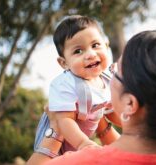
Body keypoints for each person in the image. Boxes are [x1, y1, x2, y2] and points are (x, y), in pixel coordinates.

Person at [27, 30, 156, 165]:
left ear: (130, 103)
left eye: (115, 72)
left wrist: (56, 126)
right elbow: (128, 152)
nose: (107, 75)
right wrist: (102, 126)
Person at [34, 15, 120, 154]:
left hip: (78, 145)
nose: (90, 54)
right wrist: (82, 143)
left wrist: (132, 126)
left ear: (106, 45)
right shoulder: (65, 84)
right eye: (78, 51)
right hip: (56, 145)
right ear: (64, 63)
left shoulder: (107, 78)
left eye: (95, 45)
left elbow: (110, 111)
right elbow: (64, 121)